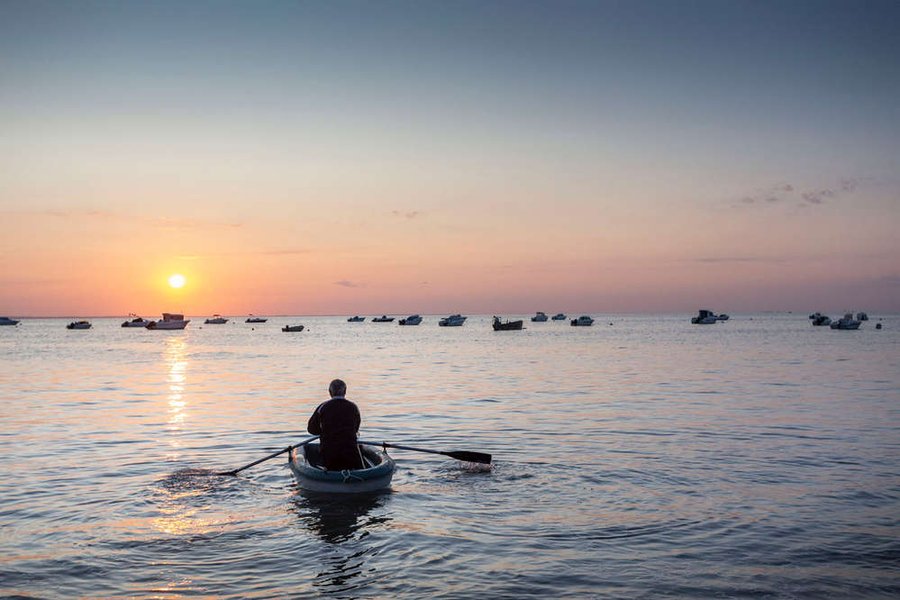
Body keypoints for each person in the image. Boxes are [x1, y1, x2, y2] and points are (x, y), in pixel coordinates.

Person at [307, 379, 364, 470]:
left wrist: (324, 431)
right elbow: (356, 429)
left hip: (329, 456)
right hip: (351, 455)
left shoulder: (322, 407)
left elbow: (311, 429)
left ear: (330, 392)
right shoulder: (353, 407)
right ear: (345, 391)